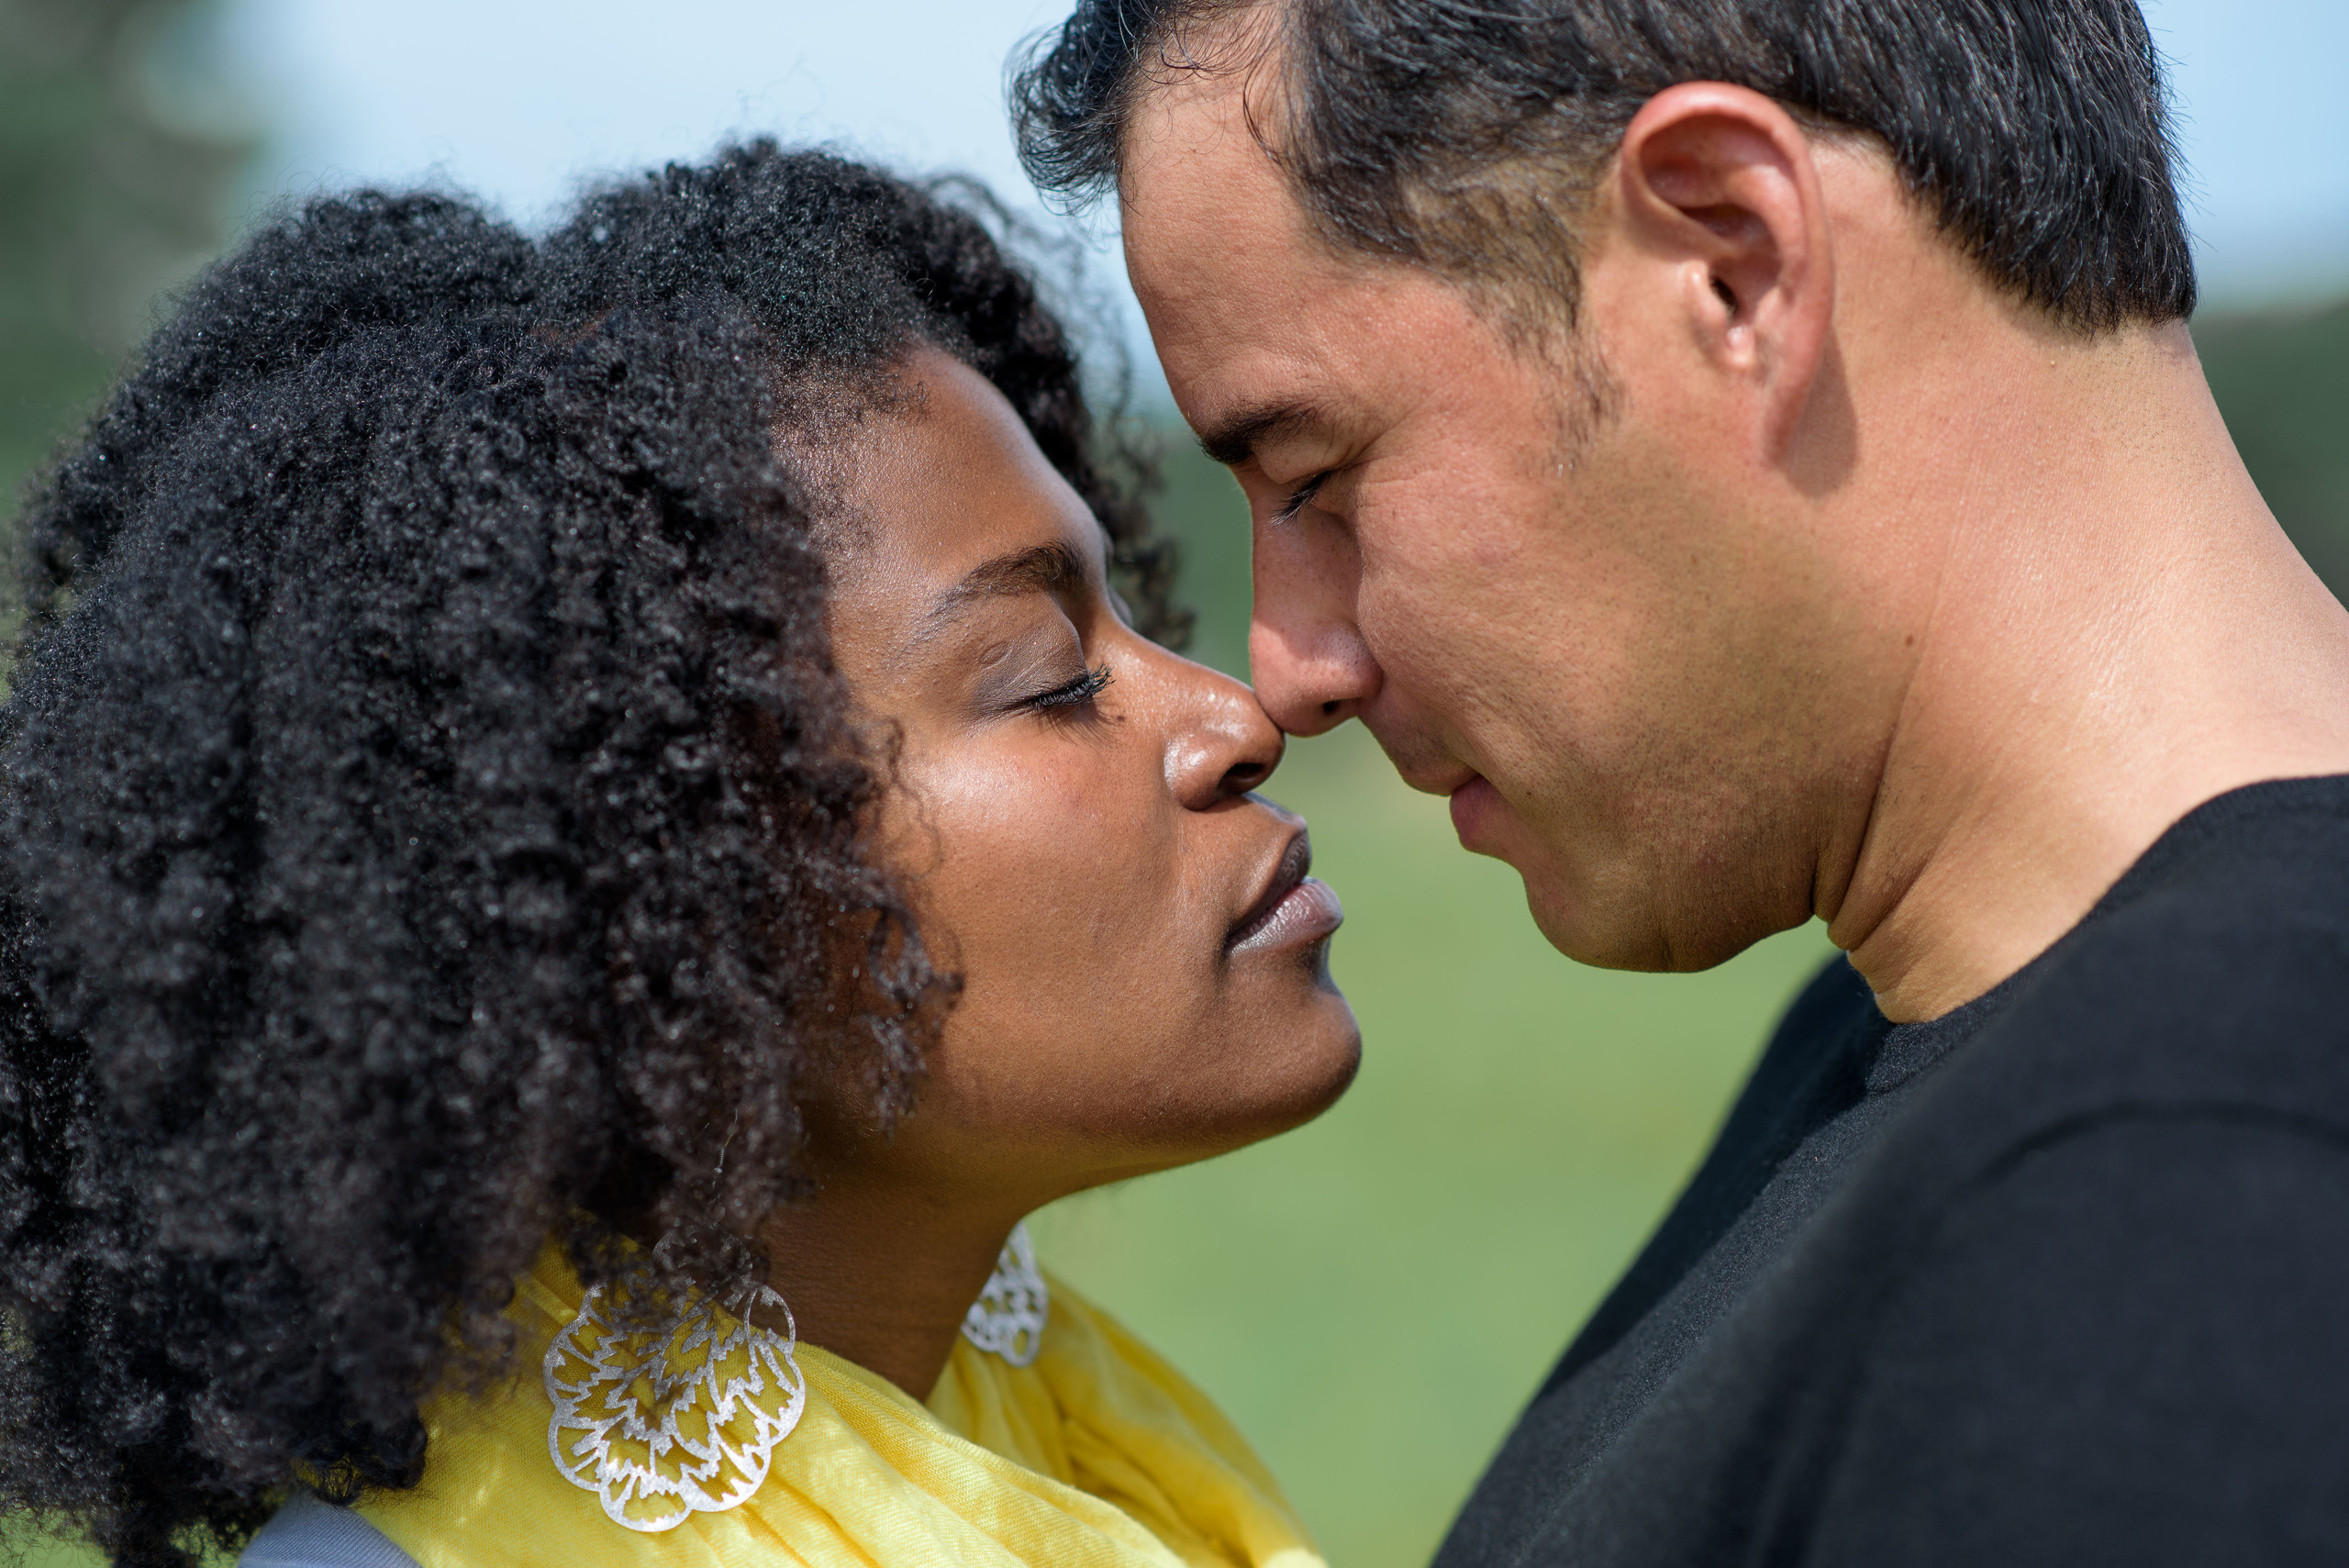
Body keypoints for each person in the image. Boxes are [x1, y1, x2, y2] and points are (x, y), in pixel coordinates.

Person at [1013, 0, 2349, 1562]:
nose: (1290, 663)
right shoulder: (1946, 1050)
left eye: (1314, 475)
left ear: (1735, 264)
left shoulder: (2187, 1207)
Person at [0, 145, 1355, 1568]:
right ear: (665, 907)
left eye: (1126, 618)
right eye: (1043, 676)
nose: (1236, 716)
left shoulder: (1087, 1444)